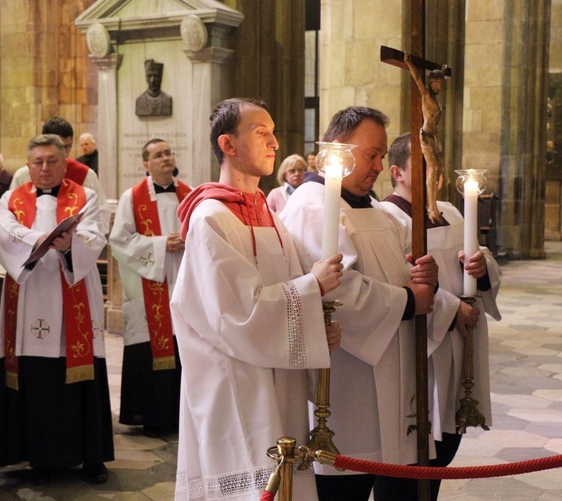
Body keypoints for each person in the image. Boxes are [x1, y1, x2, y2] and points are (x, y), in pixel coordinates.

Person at [171, 98, 344, 501]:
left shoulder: (269, 214)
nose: (274, 142)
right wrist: (313, 287)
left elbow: (286, 292)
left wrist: (315, 327)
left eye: (273, 131)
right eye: (260, 132)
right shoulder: (211, 217)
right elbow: (234, 313)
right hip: (234, 381)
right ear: (228, 145)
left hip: (277, 375)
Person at [280, 106, 439, 501]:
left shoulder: (377, 210)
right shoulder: (314, 203)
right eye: (372, 155)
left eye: (383, 155)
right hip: (349, 384)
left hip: (392, 374)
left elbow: (411, 260)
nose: (380, 166)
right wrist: (407, 302)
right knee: (346, 484)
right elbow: (338, 290)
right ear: (340, 150)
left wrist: (427, 275)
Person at [375, 132, 502, 501]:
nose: (436, 176)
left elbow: (482, 262)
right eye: (425, 167)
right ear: (397, 172)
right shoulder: (387, 217)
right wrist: (451, 307)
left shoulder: (449, 210)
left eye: (438, 168)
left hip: (462, 346)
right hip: (423, 349)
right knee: (410, 458)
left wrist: (481, 268)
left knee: (445, 449)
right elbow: (397, 282)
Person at [0, 133, 114, 485]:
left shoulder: (86, 196)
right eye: (37, 162)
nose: (44, 168)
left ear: (65, 162)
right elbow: (3, 233)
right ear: (28, 165)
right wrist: (42, 241)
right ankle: (39, 456)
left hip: (72, 292)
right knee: (36, 377)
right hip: (28, 294)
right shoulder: (10, 198)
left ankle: (92, 458)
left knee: (81, 374)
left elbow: (95, 234)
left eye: (52, 161)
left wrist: (67, 246)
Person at [110, 138, 191, 438]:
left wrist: (189, 241)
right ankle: (152, 416)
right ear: (145, 164)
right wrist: (160, 245)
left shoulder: (190, 194)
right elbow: (119, 241)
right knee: (151, 348)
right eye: (158, 155)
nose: (166, 158)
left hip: (184, 282)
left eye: (169, 152)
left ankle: (183, 417)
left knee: (184, 346)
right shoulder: (131, 198)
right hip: (151, 285)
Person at [10, 117, 109, 233]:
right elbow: (12, 215)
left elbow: (101, 216)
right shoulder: (23, 176)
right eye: (59, 147)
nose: (64, 153)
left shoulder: (86, 175)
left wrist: (77, 239)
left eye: (67, 147)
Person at [405, 53, 449, 224]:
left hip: (434, 137)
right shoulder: (426, 95)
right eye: (436, 83)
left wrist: (443, 70)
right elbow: (417, 79)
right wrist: (408, 63)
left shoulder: (436, 100)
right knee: (433, 169)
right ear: (431, 83)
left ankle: (433, 204)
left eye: (440, 84)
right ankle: (431, 208)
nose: (438, 87)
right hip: (425, 137)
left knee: (440, 169)